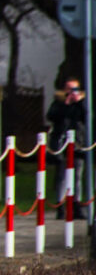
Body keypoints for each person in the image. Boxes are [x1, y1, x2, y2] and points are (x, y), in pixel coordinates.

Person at [48, 77, 88, 212]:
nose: (72, 92)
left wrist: (79, 103)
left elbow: (87, 117)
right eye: (69, 89)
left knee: (77, 175)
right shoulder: (58, 103)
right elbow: (52, 116)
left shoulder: (82, 104)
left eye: (75, 89)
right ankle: (60, 205)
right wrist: (66, 103)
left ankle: (76, 205)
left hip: (78, 143)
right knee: (62, 176)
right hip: (62, 143)